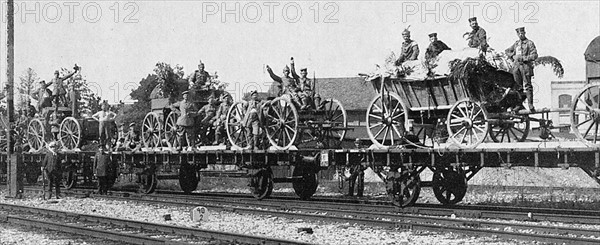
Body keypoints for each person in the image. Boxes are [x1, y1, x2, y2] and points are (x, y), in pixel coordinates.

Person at [505, 27, 538, 112]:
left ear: (524, 33)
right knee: (517, 87)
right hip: (516, 67)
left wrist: (523, 58)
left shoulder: (529, 43)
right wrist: (512, 56)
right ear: (517, 34)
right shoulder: (516, 44)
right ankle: (518, 105)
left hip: (526, 67)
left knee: (528, 86)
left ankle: (530, 104)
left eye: (522, 33)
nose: (520, 35)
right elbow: (507, 51)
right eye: (519, 34)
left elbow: (534, 56)